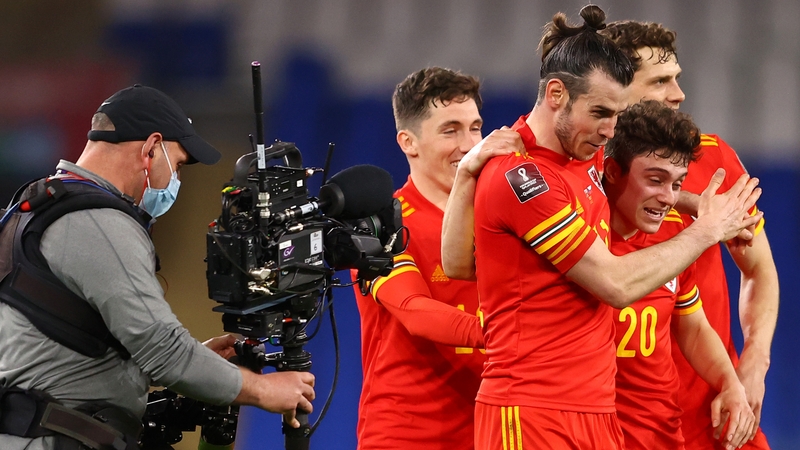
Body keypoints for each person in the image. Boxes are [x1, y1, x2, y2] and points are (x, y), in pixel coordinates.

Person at [440, 5, 761, 449]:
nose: (611, 129)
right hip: (531, 412)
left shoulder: (584, 148)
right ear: (556, 95)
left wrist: (686, 201)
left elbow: (462, 264)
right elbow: (612, 283)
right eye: (601, 112)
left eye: (615, 113)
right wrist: (706, 228)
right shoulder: (524, 177)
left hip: (595, 411)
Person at [0, 85, 315, 450]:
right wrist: (263, 390)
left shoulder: (33, 206)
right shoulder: (100, 222)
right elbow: (162, 348)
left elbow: (69, 341)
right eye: (178, 164)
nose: (176, 180)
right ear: (151, 148)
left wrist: (199, 362)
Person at [601, 21, 779, 450]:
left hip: (713, 404)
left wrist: (755, 360)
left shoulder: (713, 157)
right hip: (616, 419)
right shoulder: (580, 169)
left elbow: (759, 272)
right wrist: (692, 206)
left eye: (677, 78)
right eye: (661, 81)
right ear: (615, 90)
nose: (678, 94)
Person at [352, 67, 489, 449]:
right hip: (408, 436)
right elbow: (415, 311)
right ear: (408, 142)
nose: (469, 145)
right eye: (451, 130)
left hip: (494, 433)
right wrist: (511, 336)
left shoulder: (501, 218)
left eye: (475, 127)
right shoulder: (380, 224)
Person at [603, 100, 752, 449]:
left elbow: (693, 326)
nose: (668, 198)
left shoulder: (674, 232)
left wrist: (730, 384)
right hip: (589, 431)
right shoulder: (579, 236)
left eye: (677, 184)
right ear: (611, 171)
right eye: (655, 180)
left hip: (662, 434)